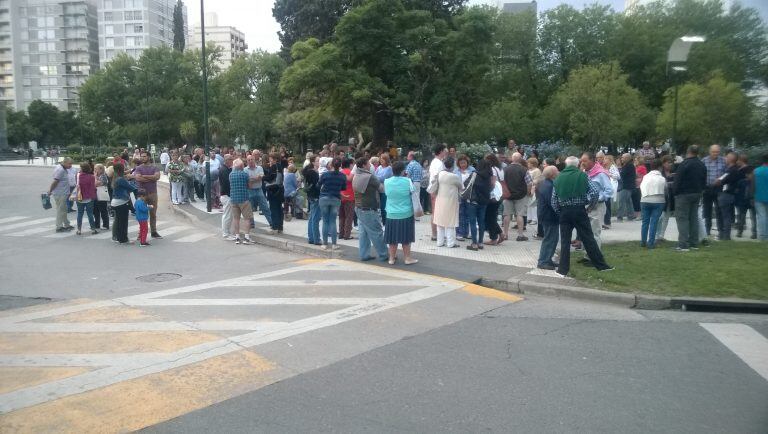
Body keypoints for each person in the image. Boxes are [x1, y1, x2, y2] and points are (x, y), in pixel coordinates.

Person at [551, 156, 613, 276]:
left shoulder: (558, 178)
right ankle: (601, 265)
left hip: (565, 211)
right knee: (588, 238)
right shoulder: (583, 175)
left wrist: (560, 212)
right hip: (579, 210)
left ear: (566, 164)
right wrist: (590, 205)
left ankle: (563, 270)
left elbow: (553, 200)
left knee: (564, 242)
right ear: (577, 164)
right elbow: (594, 192)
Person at [352, 156, 389, 261]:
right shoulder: (370, 177)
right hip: (368, 208)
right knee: (376, 232)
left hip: (358, 207)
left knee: (363, 233)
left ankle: (364, 254)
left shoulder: (356, 175)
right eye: (368, 163)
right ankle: (384, 254)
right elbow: (382, 189)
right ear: (364, 165)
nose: (370, 165)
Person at [673, 145, 707, 251]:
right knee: (693, 218)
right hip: (696, 193)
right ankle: (693, 243)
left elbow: (677, 180)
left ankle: (683, 244)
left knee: (682, 218)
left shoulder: (684, 164)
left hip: (683, 194)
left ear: (688, 152)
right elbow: (704, 180)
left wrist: (675, 192)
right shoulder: (702, 164)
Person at [384, 161, 418, 265]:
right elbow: (414, 193)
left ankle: (391, 258)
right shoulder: (408, 181)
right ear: (403, 171)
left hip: (391, 213)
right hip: (406, 213)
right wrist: (407, 178)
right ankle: (407, 258)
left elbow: (386, 193)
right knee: (406, 237)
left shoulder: (387, 181)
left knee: (392, 238)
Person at [581, 152, 613, 261]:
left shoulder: (601, 173)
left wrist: (598, 199)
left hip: (597, 206)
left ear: (592, 160)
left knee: (595, 232)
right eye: (581, 160)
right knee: (586, 232)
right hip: (586, 206)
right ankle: (587, 255)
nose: (582, 163)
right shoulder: (585, 172)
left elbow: (609, 190)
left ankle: (595, 257)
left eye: (585, 161)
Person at [433, 157, 462, 248]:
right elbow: (461, 186)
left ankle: (439, 242)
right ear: (453, 165)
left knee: (439, 221)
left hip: (440, 199)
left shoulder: (440, 174)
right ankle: (450, 243)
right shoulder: (454, 176)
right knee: (450, 222)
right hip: (451, 201)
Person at [502, 152, 532, 242]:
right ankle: (520, 235)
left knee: (506, 215)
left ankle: (505, 234)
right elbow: (529, 183)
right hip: (520, 195)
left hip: (507, 195)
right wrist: (528, 192)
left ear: (512, 158)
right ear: (520, 159)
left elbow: (501, 182)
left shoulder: (505, 169)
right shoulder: (524, 170)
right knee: (520, 215)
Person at [714, 152, 743, 241]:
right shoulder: (737, 170)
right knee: (728, 215)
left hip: (725, 195)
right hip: (732, 195)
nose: (725, 159)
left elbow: (719, 181)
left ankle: (725, 235)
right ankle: (726, 235)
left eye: (726, 157)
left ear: (730, 159)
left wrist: (717, 180)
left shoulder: (730, 170)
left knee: (723, 215)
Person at [318, 158, 346, 250]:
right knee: (333, 221)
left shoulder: (325, 175)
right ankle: (334, 244)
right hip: (335, 198)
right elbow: (343, 188)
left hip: (324, 198)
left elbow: (318, 185)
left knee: (325, 221)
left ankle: (325, 244)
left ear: (331, 165)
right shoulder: (342, 176)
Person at [132, 151, 162, 238]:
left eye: (144, 156)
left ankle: (154, 231)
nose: (142, 158)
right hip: (142, 195)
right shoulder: (138, 168)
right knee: (141, 214)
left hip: (153, 193)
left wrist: (144, 176)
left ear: (149, 157)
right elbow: (138, 178)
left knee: (153, 214)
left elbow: (157, 177)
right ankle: (141, 233)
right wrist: (151, 178)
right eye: (141, 156)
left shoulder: (155, 167)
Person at [536, 166, 560, 270]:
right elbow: (552, 202)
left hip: (547, 215)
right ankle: (543, 261)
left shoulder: (546, 183)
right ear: (552, 174)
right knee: (550, 239)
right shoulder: (549, 186)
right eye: (557, 171)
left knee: (552, 239)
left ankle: (547, 259)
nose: (559, 172)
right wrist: (560, 211)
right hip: (549, 216)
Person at [639, 159, 667, 249]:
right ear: (660, 167)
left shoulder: (645, 177)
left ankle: (643, 241)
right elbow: (665, 189)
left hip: (644, 200)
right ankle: (651, 243)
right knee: (654, 222)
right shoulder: (662, 178)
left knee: (645, 222)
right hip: (658, 201)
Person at [466, 158, 492, 251]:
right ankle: (480, 242)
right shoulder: (489, 176)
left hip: (473, 201)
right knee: (481, 222)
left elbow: (466, 184)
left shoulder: (475, 174)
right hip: (484, 202)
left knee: (473, 222)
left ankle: (474, 243)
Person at [702, 144, 727, 237]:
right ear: (710, 152)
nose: (715, 154)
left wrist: (721, 179)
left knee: (719, 209)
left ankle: (721, 230)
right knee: (707, 210)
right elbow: (701, 174)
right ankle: (707, 230)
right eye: (713, 152)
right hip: (707, 188)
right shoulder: (704, 161)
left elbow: (727, 173)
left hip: (718, 188)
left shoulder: (723, 161)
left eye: (717, 152)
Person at [228, 158, 254, 245]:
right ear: (241, 166)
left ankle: (237, 237)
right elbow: (249, 186)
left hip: (233, 199)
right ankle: (246, 238)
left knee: (236, 219)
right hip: (244, 199)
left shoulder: (231, 174)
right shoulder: (245, 174)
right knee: (247, 218)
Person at [111, 164, 138, 244]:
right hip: (121, 202)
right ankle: (123, 239)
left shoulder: (115, 178)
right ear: (121, 169)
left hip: (115, 202)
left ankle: (118, 237)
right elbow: (131, 188)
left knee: (118, 221)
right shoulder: (120, 179)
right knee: (123, 222)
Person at [47, 158, 74, 232]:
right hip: (60, 193)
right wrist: (50, 190)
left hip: (63, 192)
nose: (70, 166)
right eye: (69, 164)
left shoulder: (62, 168)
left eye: (71, 164)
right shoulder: (60, 170)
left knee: (64, 209)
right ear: (64, 162)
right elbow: (55, 181)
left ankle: (66, 224)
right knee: (60, 210)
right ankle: (59, 227)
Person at [245, 154, 272, 228]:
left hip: (259, 190)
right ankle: (251, 224)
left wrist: (251, 179)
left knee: (265, 207)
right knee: (249, 209)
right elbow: (247, 181)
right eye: (249, 160)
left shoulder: (260, 168)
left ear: (254, 160)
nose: (250, 161)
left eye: (252, 159)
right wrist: (255, 178)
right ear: (247, 161)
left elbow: (261, 178)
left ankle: (271, 223)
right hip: (250, 191)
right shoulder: (245, 170)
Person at [428, 144, 447, 240]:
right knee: (436, 212)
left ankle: (436, 234)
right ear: (440, 151)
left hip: (434, 189)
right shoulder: (438, 163)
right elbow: (437, 177)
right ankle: (435, 234)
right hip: (436, 190)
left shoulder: (436, 162)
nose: (446, 152)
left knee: (435, 212)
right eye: (444, 150)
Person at [485, 154, 505, 245]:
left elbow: (492, 183)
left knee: (489, 217)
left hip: (492, 195)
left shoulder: (492, 169)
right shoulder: (499, 169)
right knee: (492, 216)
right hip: (498, 195)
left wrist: (486, 191)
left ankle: (494, 238)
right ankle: (500, 233)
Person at [74, 162, 98, 236]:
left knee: (80, 213)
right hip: (89, 197)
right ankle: (93, 229)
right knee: (90, 214)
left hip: (80, 196)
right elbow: (93, 187)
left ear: (82, 168)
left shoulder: (78, 175)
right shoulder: (91, 177)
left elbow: (77, 185)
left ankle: (79, 230)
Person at [735, 154, 756, 239]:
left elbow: (737, 190)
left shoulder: (741, 180)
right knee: (744, 216)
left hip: (746, 200)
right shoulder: (751, 181)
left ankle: (752, 232)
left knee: (750, 217)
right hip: (747, 200)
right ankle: (741, 231)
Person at [655, 155, 676, 241]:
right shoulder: (660, 173)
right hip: (661, 198)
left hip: (671, 198)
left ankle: (661, 235)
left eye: (671, 163)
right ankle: (656, 235)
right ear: (663, 163)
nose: (670, 165)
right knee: (660, 217)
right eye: (668, 163)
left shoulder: (674, 172)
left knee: (666, 218)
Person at [263, 153, 284, 234]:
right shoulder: (280, 166)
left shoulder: (273, 167)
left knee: (273, 208)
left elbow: (270, 178)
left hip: (273, 190)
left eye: (270, 158)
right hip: (280, 190)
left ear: (274, 159)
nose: (269, 160)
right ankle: (280, 227)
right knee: (279, 209)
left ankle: (274, 227)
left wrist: (263, 177)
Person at [302, 155, 321, 244]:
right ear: (313, 162)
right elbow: (317, 185)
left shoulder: (309, 171)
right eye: (317, 161)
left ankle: (311, 237)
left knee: (312, 217)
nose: (319, 162)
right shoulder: (313, 173)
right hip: (315, 196)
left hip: (311, 196)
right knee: (315, 218)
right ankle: (316, 239)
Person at [456, 155, 474, 241]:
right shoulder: (456, 171)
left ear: (467, 162)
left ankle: (466, 233)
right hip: (459, 195)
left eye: (464, 162)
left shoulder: (472, 170)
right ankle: (459, 233)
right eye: (461, 163)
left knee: (468, 214)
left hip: (469, 195)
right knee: (460, 214)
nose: (462, 164)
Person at [339, 158, 355, 240]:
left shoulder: (340, 172)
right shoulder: (350, 173)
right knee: (349, 216)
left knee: (341, 216)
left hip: (341, 196)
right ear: (350, 164)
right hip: (350, 196)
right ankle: (347, 234)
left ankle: (341, 233)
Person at [602, 154, 620, 229]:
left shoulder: (612, 167)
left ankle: (607, 222)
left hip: (609, 188)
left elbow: (618, 176)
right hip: (604, 187)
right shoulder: (604, 167)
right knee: (606, 205)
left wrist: (609, 174)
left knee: (607, 205)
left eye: (605, 159)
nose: (604, 160)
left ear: (610, 160)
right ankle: (606, 222)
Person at [616, 153, 636, 221]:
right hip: (628, 186)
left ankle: (619, 216)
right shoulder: (627, 165)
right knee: (628, 201)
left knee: (622, 201)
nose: (621, 159)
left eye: (623, 157)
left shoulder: (629, 166)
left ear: (627, 158)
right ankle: (631, 215)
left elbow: (622, 175)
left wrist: (618, 167)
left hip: (626, 186)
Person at [219, 155, 234, 239]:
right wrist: (230, 194)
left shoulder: (226, 169)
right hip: (226, 195)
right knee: (227, 215)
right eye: (231, 159)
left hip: (227, 195)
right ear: (227, 160)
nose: (232, 161)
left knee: (229, 215)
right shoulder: (224, 170)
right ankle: (226, 234)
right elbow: (226, 184)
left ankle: (228, 233)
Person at [754, 153, 768, 241]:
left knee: (762, 216)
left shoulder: (756, 171)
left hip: (758, 196)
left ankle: (763, 236)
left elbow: (752, 185)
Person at [375, 154, 393, 222]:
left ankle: (385, 222)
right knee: (378, 207)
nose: (381, 160)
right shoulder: (379, 167)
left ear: (386, 160)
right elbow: (374, 176)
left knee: (383, 207)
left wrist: (377, 178)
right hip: (378, 189)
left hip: (385, 190)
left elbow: (384, 178)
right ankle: (381, 221)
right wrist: (377, 178)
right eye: (380, 158)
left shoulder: (389, 168)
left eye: (383, 159)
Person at [93, 163, 110, 231]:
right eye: (94, 169)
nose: (94, 170)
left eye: (96, 169)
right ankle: (96, 224)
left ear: (101, 169)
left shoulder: (103, 176)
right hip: (96, 196)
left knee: (103, 210)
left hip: (101, 195)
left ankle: (106, 225)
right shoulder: (97, 176)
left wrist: (95, 177)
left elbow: (96, 184)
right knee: (95, 211)